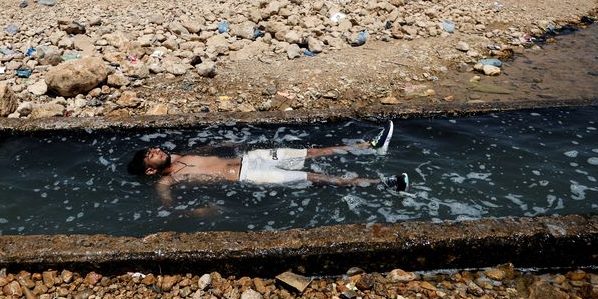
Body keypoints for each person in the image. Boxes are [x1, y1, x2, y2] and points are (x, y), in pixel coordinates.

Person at [127, 121, 408, 205]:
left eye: (153, 147)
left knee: (310, 153)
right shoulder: (166, 181)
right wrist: (199, 212)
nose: (156, 149)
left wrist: (227, 143)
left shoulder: (181, 155)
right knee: (312, 178)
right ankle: (383, 185)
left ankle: (370, 147)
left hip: (251, 158)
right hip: (250, 176)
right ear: (150, 169)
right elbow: (171, 208)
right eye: (150, 154)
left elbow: (211, 147)